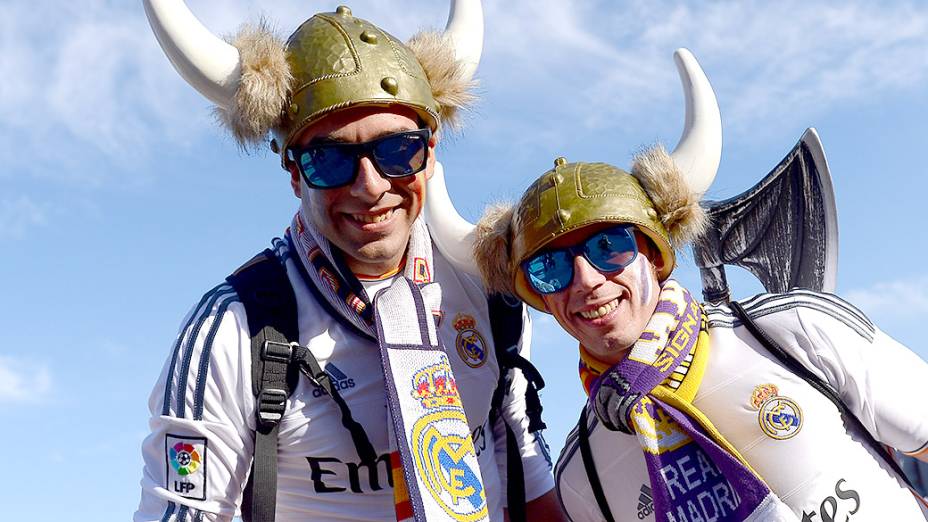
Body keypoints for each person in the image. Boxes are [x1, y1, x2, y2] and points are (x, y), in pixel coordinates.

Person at [134, 2, 560, 521]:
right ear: (294, 174)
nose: (371, 186)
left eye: (398, 150)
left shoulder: (489, 292)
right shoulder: (234, 328)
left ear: (431, 150)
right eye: (330, 159)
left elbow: (524, 470)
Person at [470, 51, 928, 521]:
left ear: (653, 254)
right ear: (541, 298)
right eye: (551, 268)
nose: (586, 280)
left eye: (609, 246)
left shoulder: (795, 331)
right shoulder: (583, 477)